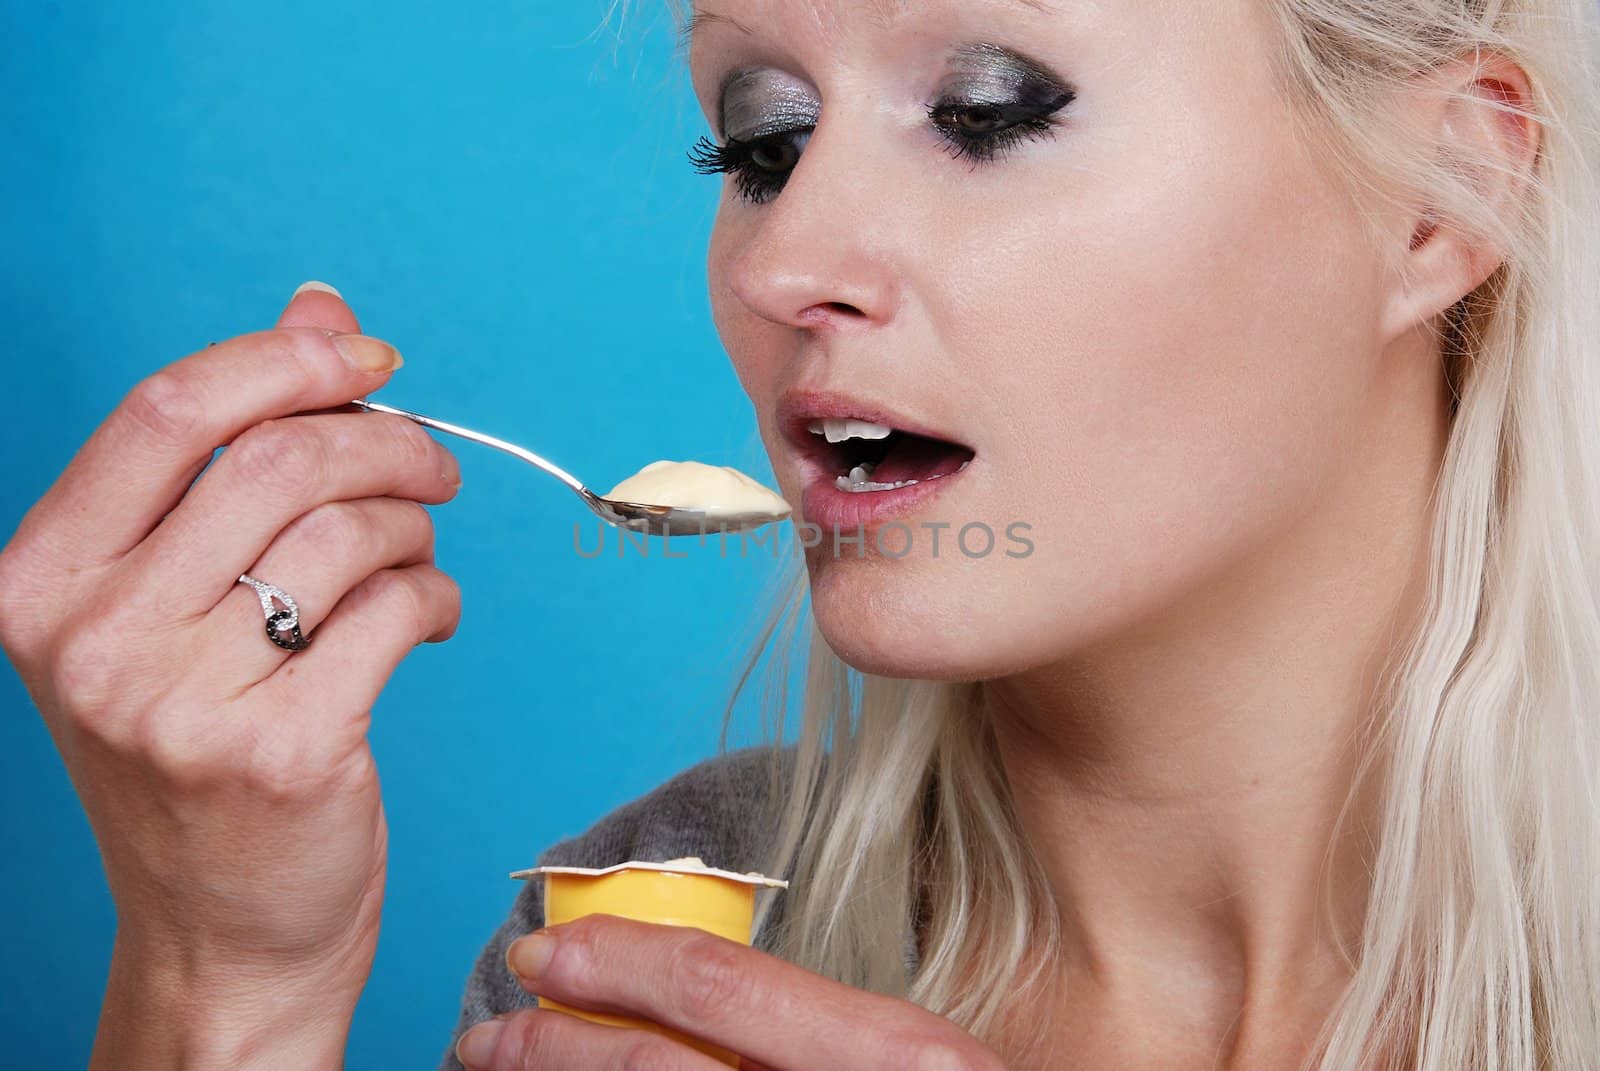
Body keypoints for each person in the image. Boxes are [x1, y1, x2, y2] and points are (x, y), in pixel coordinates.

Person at [3, 0, 1597, 1066]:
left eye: (989, 113)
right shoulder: (657, 944)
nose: (786, 262)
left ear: (1441, 199)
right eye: (762, 142)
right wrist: (225, 985)